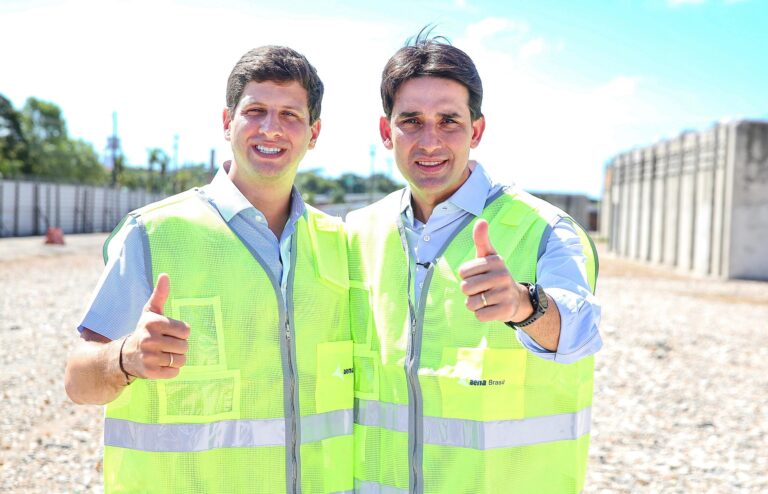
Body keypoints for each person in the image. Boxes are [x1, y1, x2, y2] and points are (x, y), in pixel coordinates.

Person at [64, 46, 353, 494]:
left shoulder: (339, 242)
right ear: (226, 122)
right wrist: (126, 357)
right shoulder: (154, 233)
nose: (271, 128)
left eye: (290, 115)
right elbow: (78, 381)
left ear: (314, 133)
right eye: (255, 110)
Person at [346, 31, 602, 493]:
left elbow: (580, 333)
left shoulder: (545, 227)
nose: (430, 140)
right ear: (386, 132)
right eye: (411, 121)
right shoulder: (358, 230)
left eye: (449, 120)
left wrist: (525, 306)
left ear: (476, 131)